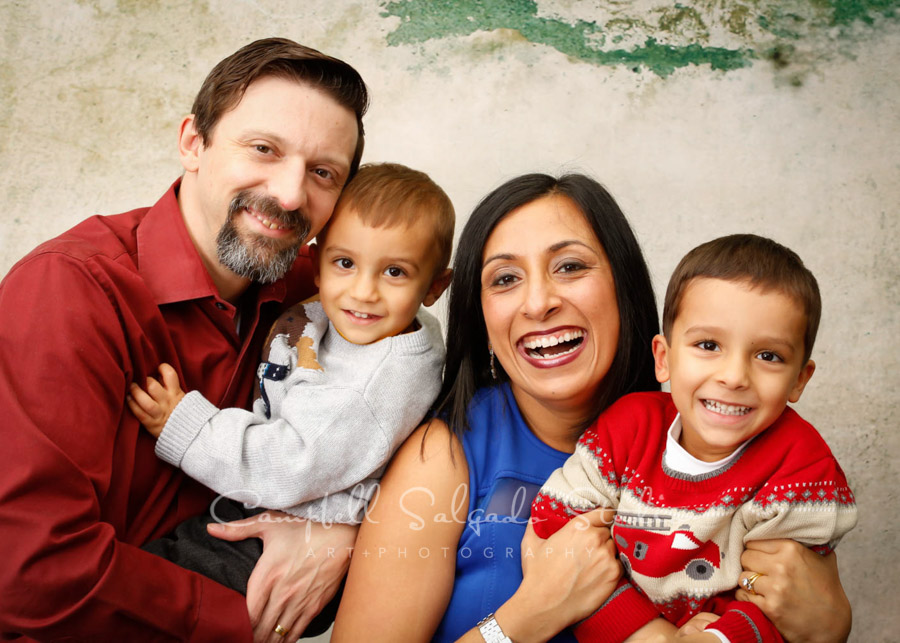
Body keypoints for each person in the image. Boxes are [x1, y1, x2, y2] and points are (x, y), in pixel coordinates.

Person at [331, 174, 854, 643]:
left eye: (571, 266)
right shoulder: (441, 457)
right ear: (481, 312)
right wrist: (527, 617)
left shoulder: (738, 436)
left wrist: (827, 625)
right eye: (505, 279)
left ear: (622, 286)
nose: (538, 302)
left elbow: (790, 605)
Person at [0, 37, 367, 642]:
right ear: (193, 143)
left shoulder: (326, 297)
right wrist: (243, 619)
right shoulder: (69, 291)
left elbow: (412, 424)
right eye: (263, 149)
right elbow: (33, 572)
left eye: (323, 172)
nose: (291, 194)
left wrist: (343, 532)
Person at [127, 162, 453, 589]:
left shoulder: (372, 388)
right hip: (268, 496)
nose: (363, 290)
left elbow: (287, 465)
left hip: (289, 522)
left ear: (434, 286)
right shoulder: (364, 323)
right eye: (345, 263)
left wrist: (187, 426)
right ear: (316, 263)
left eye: (395, 272)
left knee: (155, 585)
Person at [531, 234, 858, 642]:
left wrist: (716, 638)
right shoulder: (625, 430)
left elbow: (786, 597)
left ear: (799, 380)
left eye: (768, 356)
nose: (734, 376)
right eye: (708, 345)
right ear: (664, 358)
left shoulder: (802, 466)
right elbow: (555, 527)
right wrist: (648, 635)